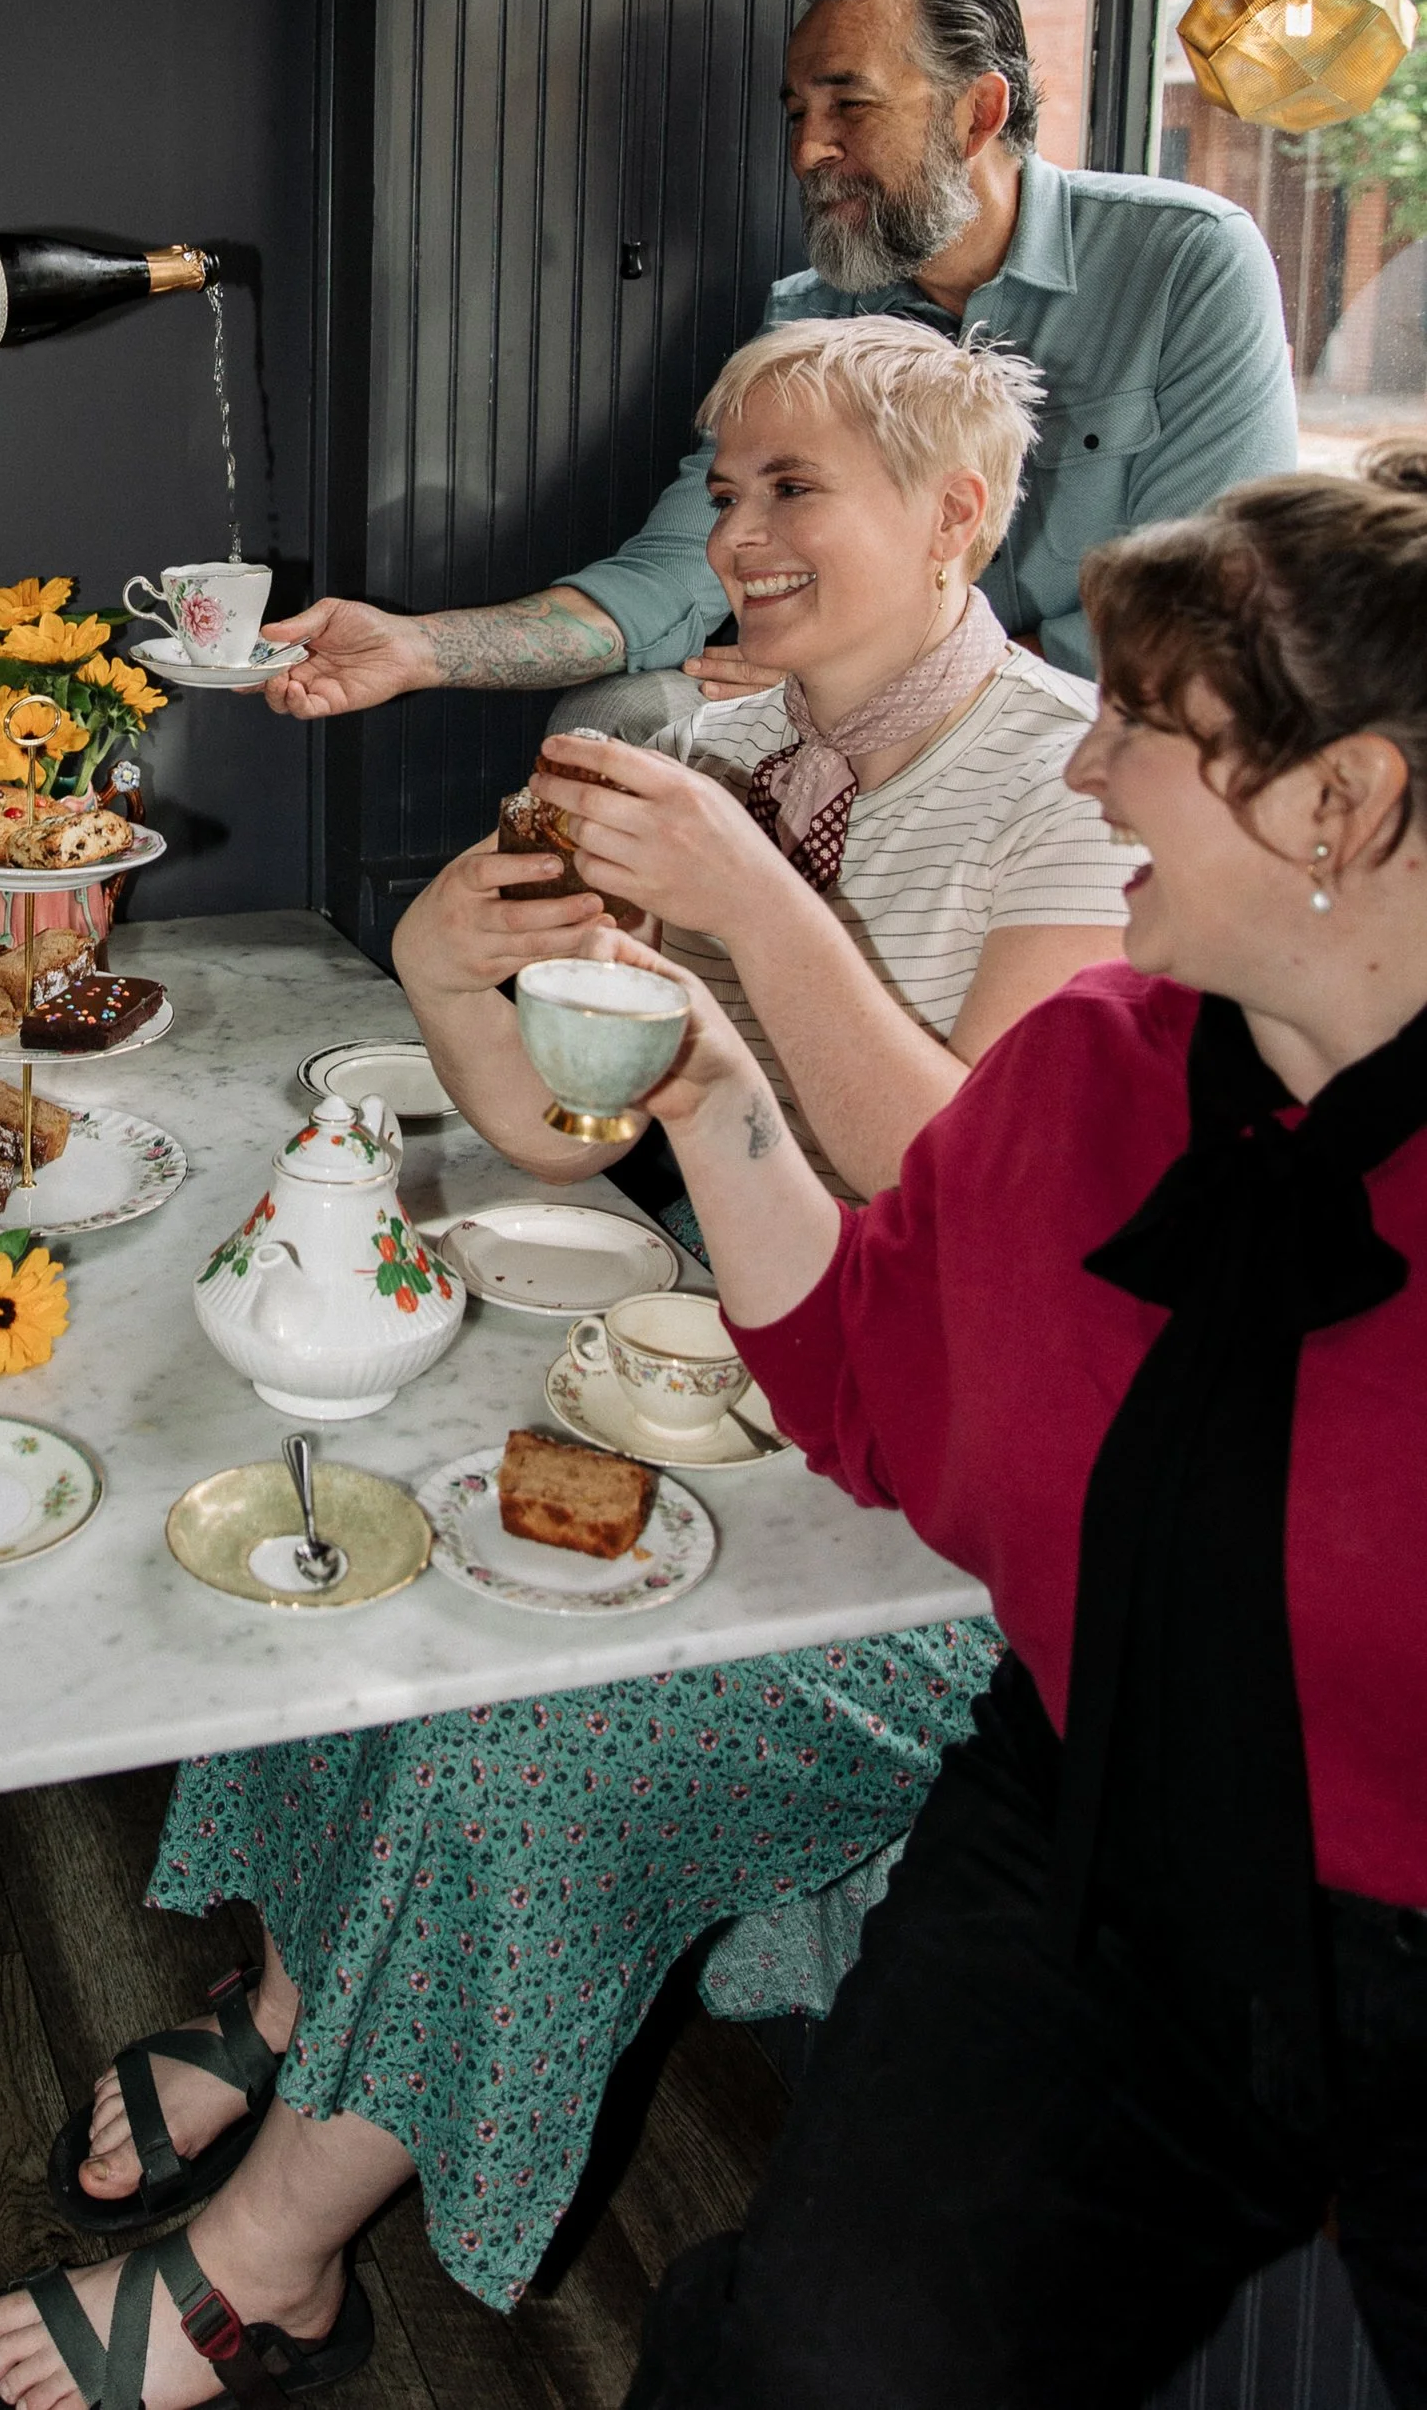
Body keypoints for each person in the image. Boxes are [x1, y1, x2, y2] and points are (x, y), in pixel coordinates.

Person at [0, 319, 1139, 2410]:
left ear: (958, 516)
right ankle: (299, 1997)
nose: (734, 533)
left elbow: (983, 1209)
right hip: (703, 1379)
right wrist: (437, 962)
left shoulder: (1067, 792)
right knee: (346, 1481)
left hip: (950, 1522)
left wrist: (745, 899)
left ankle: (277, 2262)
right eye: (722, 484)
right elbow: (574, 1125)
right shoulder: (727, 746)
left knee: (528, 1744)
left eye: (792, 490)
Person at [614, 446, 1427, 2410]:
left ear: (1340, 801)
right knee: (826, 2367)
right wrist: (702, 1076)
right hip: (1092, 1854)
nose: (1082, 773)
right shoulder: (1092, 1067)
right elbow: (880, 1388)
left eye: (1142, 727)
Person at [262, 0, 1297, 717]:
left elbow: (1207, 610)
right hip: (858, 706)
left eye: (848, 108)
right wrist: (419, 647)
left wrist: (876, 671)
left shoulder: (1186, 260)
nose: (807, 152)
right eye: (796, 113)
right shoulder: (809, 314)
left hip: (1099, 726)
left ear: (977, 115)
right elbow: (676, 571)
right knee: (616, 728)